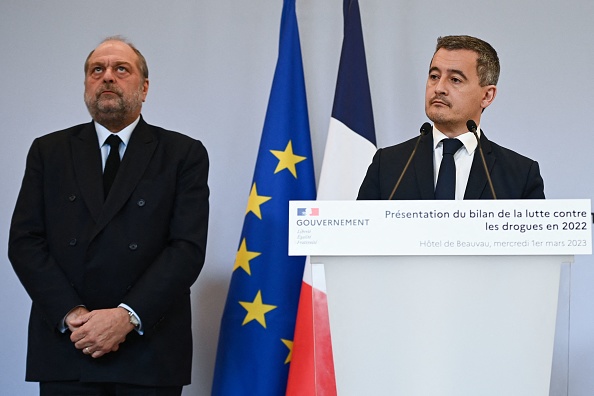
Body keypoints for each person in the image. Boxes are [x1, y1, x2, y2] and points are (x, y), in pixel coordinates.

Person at [8, 36, 209, 395]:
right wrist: (73, 316)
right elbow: (25, 243)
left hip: (149, 349)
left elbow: (186, 248)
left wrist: (125, 316)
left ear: (144, 88)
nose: (107, 77)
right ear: (86, 84)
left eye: (121, 69)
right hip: (69, 344)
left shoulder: (183, 154)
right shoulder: (48, 151)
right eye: (96, 70)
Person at [358, 35, 544, 200]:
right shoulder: (389, 164)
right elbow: (361, 235)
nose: (439, 88)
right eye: (434, 76)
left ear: (487, 96)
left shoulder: (521, 174)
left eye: (455, 79)